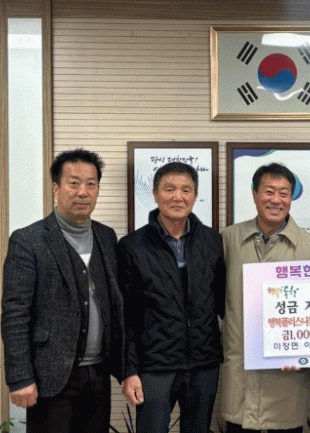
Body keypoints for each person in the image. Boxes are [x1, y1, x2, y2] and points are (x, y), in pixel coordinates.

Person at [1, 148, 124, 433]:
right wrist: (20, 378)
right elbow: (15, 313)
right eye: (74, 183)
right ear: (56, 188)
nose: (83, 192)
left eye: (91, 184)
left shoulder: (106, 237)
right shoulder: (28, 240)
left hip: (98, 374)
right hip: (51, 375)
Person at [118, 162, 226, 433]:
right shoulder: (132, 246)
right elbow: (126, 315)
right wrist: (129, 371)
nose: (178, 197)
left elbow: (225, 303)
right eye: (169, 189)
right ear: (155, 195)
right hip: (154, 366)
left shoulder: (212, 241)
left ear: (195, 196)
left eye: (186, 190)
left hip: (204, 364)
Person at [220, 163, 310, 433]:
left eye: (284, 193)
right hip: (240, 372)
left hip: (286, 376)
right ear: (254, 194)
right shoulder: (228, 239)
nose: (276, 200)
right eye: (269, 191)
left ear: (291, 198)